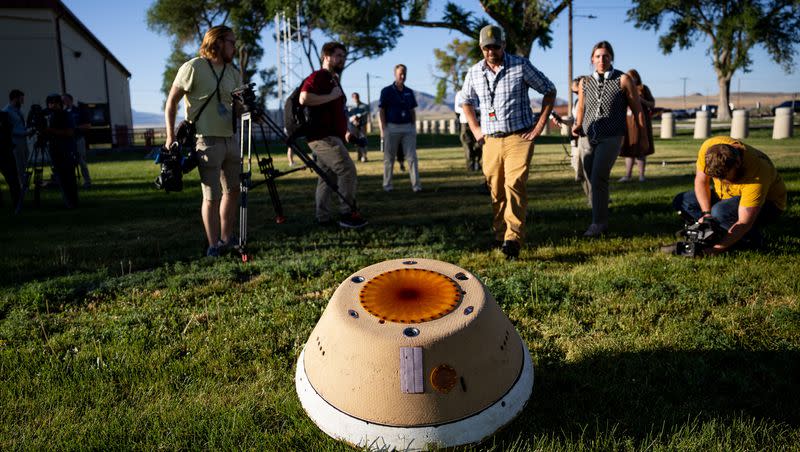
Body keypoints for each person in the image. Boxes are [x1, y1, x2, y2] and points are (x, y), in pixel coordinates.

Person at [461, 24, 556, 260]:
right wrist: (476, 129)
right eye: (486, 47)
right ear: (481, 48)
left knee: (514, 184)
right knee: (496, 189)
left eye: (495, 46)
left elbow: (549, 90)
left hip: (519, 137)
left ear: (503, 45)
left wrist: (539, 125)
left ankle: (513, 239)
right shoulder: (474, 72)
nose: (491, 51)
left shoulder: (520, 65)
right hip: (491, 140)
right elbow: (466, 101)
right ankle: (500, 234)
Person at [164, 25, 242, 257]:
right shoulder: (193, 67)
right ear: (217, 42)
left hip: (230, 139)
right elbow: (171, 103)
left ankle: (227, 238)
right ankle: (213, 244)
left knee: (233, 191)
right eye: (231, 42)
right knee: (212, 195)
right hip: (205, 140)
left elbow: (237, 108)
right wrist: (169, 137)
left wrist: (247, 108)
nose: (234, 47)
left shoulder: (233, 72)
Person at [572, 41, 648, 237]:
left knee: (598, 176)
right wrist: (577, 125)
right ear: (592, 59)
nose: (601, 60)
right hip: (587, 137)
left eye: (605, 56)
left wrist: (643, 138)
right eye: (597, 56)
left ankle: (599, 223)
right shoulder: (584, 82)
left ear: (611, 57)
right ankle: (599, 214)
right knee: (592, 178)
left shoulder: (623, 79)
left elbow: (638, 110)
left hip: (612, 137)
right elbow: (581, 107)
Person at [671, 136, 786, 255]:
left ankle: (751, 240)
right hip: (727, 195)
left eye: (725, 176)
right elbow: (701, 181)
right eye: (717, 177)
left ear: (737, 163)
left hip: (768, 204)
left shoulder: (758, 172)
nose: (721, 180)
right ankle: (716, 231)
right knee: (684, 201)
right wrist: (706, 215)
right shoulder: (709, 147)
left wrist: (715, 250)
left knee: (720, 211)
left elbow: (743, 222)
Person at [299, 41, 367, 229]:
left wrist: (345, 132)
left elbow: (335, 111)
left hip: (331, 136)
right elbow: (304, 98)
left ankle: (322, 217)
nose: (342, 59)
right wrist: (332, 95)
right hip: (321, 137)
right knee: (346, 170)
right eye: (338, 56)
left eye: (344, 56)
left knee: (327, 177)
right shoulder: (319, 75)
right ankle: (347, 213)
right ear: (326, 57)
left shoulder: (332, 79)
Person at [379, 64, 421, 192]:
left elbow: (412, 110)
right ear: (395, 74)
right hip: (391, 127)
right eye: (400, 74)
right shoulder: (386, 91)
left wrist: (413, 126)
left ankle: (416, 186)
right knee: (389, 158)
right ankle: (387, 185)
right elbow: (381, 110)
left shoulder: (409, 92)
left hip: (408, 128)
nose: (402, 76)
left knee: (412, 157)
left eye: (404, 74)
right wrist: (383, 129)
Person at [42, 94, 79, 208]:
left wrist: (50, 130)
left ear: (60, 104)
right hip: (54, 149)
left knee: (68, 177)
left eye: (54, 103)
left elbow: (69, 132)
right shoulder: (50, 116)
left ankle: (72, 202)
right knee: (61, 177)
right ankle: (68, 201)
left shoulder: (66, 115)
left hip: (66, 150)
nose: (52, 105)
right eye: (50, 103)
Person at [618, 69, 655, 182]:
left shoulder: (643, 88)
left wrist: (640, 100)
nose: (630, 79)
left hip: (641, 122)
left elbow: (652, 104)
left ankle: (641, 176)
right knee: (628, 149)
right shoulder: (623, 89)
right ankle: (627, 175)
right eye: (628, 77)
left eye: (632, 76)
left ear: (637, 77)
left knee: (641, 149)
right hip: (628, 123)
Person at [62, 94, 92, 188]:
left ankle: (87, 181)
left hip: (78, 139)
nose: (64, 102)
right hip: (67, 141)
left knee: (81, 161)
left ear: (70, 100)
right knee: (68, 162)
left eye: (65, 99)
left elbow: (88, 125)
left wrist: (75, 128)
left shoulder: (79, 111)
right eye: (63, 100)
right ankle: (71, 182)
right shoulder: (63, 113)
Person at [3, 89, 28, 188]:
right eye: (21, 99)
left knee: (25, 163)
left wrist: (28, 130)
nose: (22, 101)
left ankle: (25, 182)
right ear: (15, 99)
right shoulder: (6, 111)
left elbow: (19, 124)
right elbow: (8, 130)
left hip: (23, 140)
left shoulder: (18, 110)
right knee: (18, 164)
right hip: (15, 142)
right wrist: (24, 133)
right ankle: (21, 184)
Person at [455, 89, 482, 172]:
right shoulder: (460, 94)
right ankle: (470, 165)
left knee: (479, 144)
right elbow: (457, 109)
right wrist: (469, 110)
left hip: (479, 122)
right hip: (465, 123)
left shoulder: (479, 92)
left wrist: (475, 110)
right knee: (468, 145)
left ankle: (478, 163)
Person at [347, 92, 369, 162]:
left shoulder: (364, 106)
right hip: (353, 127)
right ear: (352, 98)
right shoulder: (349, 107)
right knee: (356, 142)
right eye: (354, 97)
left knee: (363, 140)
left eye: (357, 97)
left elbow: (366, 113)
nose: (356, 98)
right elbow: (348, 115)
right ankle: (359, 156)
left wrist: (359, 116)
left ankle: (364, 156)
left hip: (362, 126)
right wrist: (353, 119)